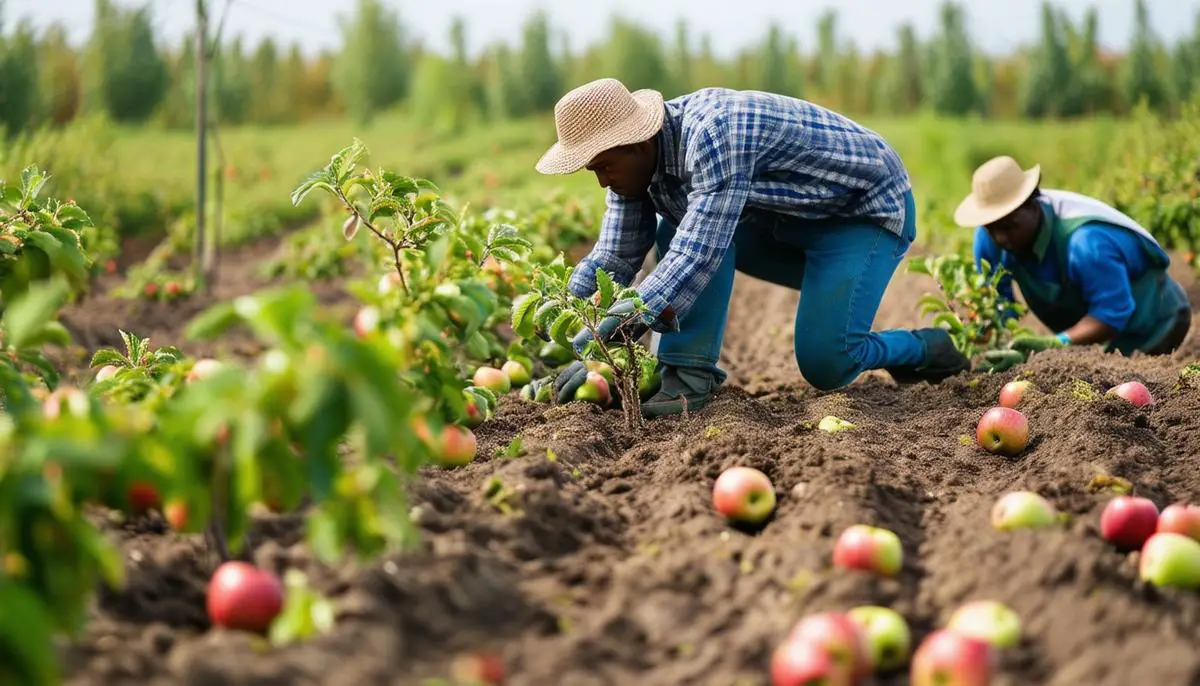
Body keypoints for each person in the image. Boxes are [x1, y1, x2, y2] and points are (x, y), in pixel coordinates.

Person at [532, 77, 971, 417]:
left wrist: (605, 338)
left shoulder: (713, 132)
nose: (603, 180)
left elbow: (697, 252)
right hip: (785, 221)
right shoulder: (631, 170)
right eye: (594, 170)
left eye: (605, 165)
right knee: (678, 227)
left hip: (861, 216)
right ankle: (687, 375)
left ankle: (923, 348)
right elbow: (614, 257)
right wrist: (564, 320)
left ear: (640, 142)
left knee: (828, 363)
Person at [955, 156, 1192, 363]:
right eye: (991, 228)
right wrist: (999, 342)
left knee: (1123, 394)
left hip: (1153, 320)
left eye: (1009, 226)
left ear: (1033, 205)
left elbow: (1110, 313)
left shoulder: (1087, 243)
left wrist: (1054, 344)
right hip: (1094, 328)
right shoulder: (988, 239)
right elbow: (998, 304)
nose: (1001, 238)